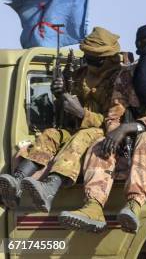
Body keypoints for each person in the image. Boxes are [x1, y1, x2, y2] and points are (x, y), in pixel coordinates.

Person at [59, 22, 146, 233]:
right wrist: (116, 132)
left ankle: (133, 204)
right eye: (143, 45)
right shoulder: (128, 75)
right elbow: (115, 111)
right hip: (130, 138)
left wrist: (132, 128)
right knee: (101, 142)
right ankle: (93, 206)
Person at [0, 27, 122, 212]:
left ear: (106, 58)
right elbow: (66, 113)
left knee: (83, 136)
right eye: (87, 56)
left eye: (93, 58)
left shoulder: (120, 80)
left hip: (105, 136)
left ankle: (51, 186)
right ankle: (17, 179)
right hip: (77, 129)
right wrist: (61, 95)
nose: (88, 62)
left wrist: (82, 114)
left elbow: (115, 120)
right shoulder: (81, 75)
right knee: (51, 134)